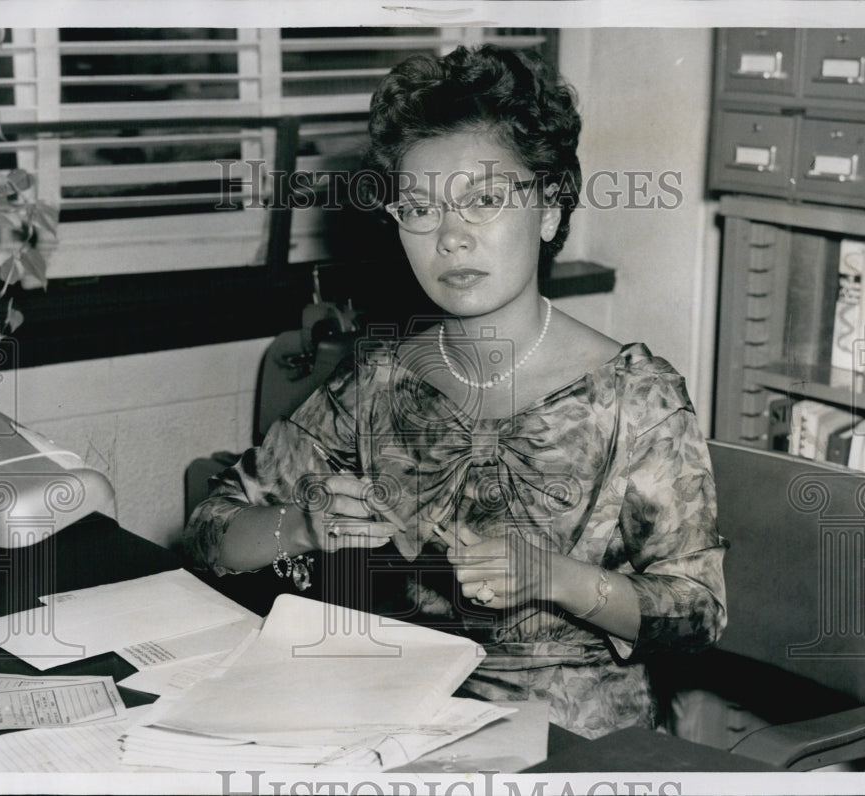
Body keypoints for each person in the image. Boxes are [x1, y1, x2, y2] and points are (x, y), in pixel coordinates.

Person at [185, 44, 726, 740]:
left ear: (550, 210)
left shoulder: (636, 399)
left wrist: (558, 578)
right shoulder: (379, 380)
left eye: (485, 201)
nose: (450, 238)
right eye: (419, 208)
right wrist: (302, 525)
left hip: (573, 742)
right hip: (394, 717)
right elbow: (209, 530)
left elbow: (697, 616)